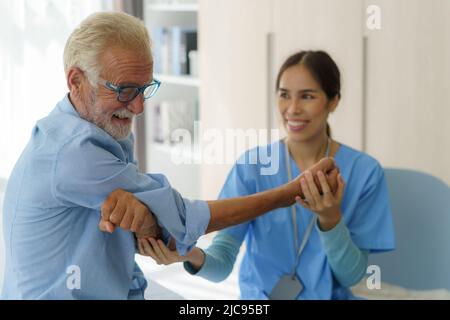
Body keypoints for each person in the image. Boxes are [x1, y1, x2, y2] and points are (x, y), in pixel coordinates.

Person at [1, 13, 338, 300]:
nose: (138, 107)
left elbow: (158, 219)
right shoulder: (74, 153)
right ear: (77, 80)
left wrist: (148, 218)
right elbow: (181, 217)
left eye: (145, 88)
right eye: (125, 90)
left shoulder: (98, 129)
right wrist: (287, 194)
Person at [138, 51, 396, 300]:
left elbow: (352, 276)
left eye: (307, 96)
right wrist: (188, 255)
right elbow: (223, 261)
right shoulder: (252, 166)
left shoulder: (364, 172)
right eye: (284, 95)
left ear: (333, 101)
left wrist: (330, 220)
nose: (292, 109)